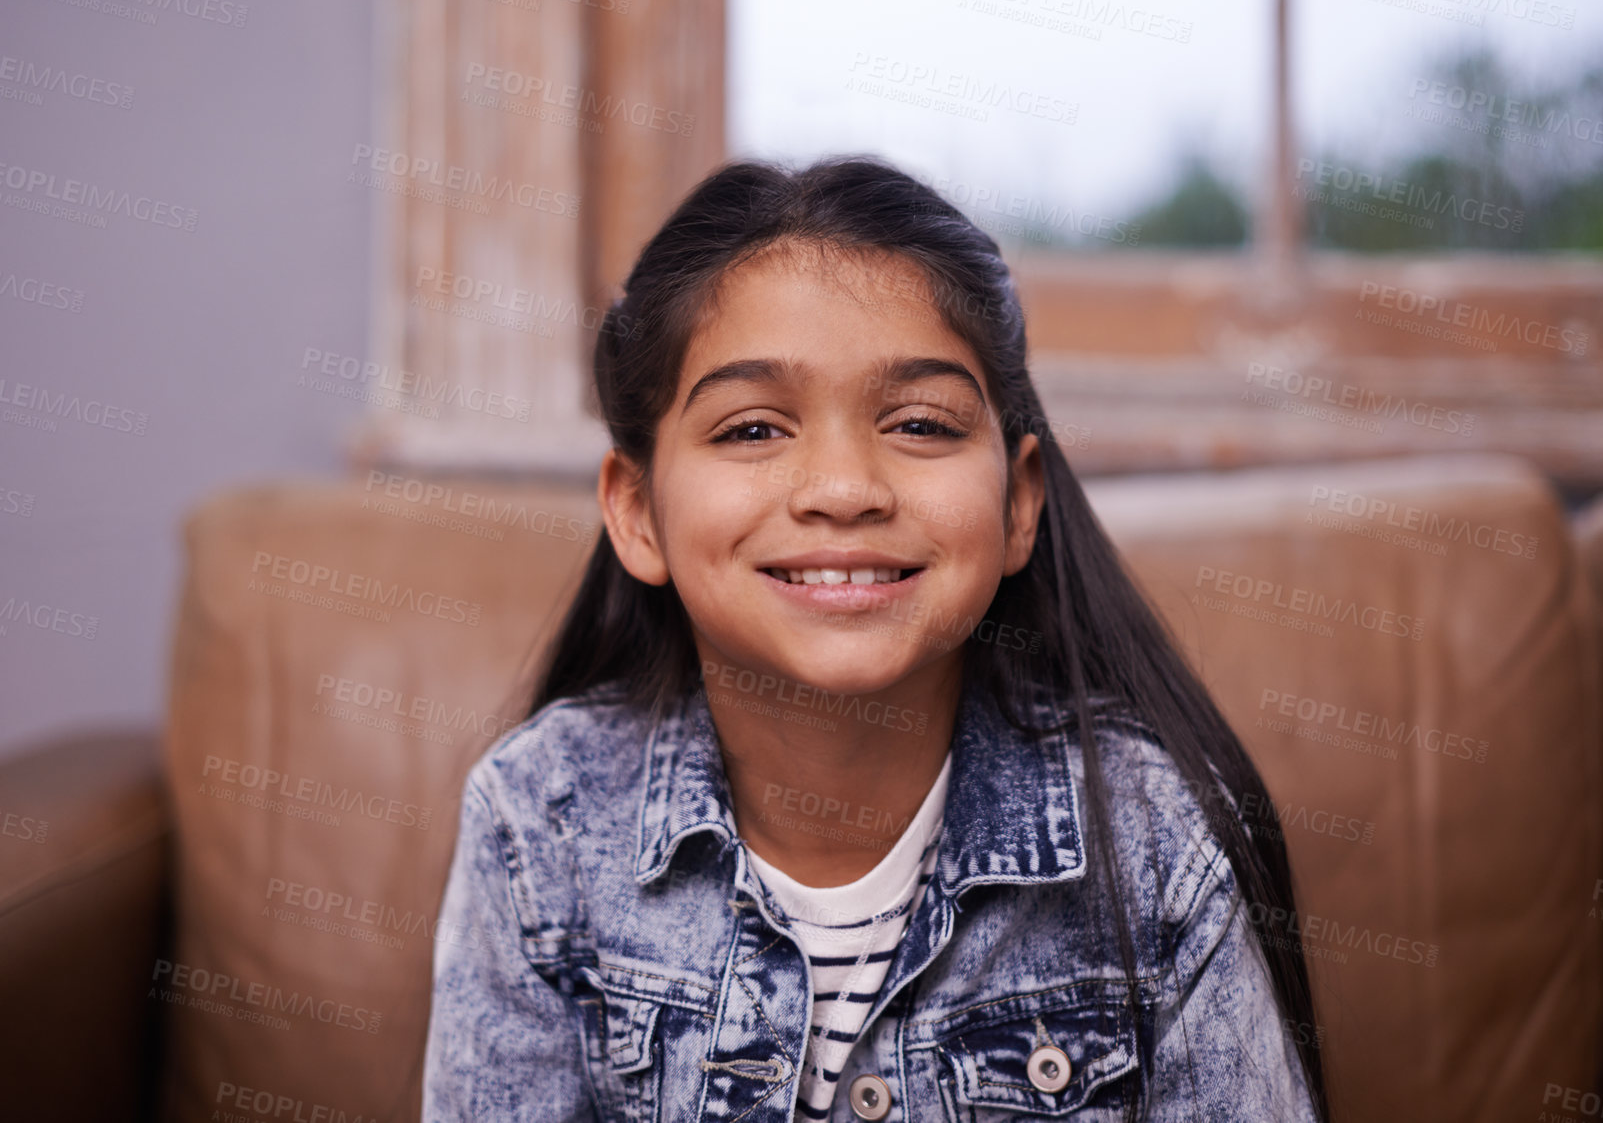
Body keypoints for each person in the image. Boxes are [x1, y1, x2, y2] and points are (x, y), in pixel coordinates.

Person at [420, 156, 1330, 1121]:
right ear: (638, 510)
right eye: (754, 430)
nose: (845, 486)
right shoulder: (539, 824)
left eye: (921, 423)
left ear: (1020, 502)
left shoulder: (1152, 835)